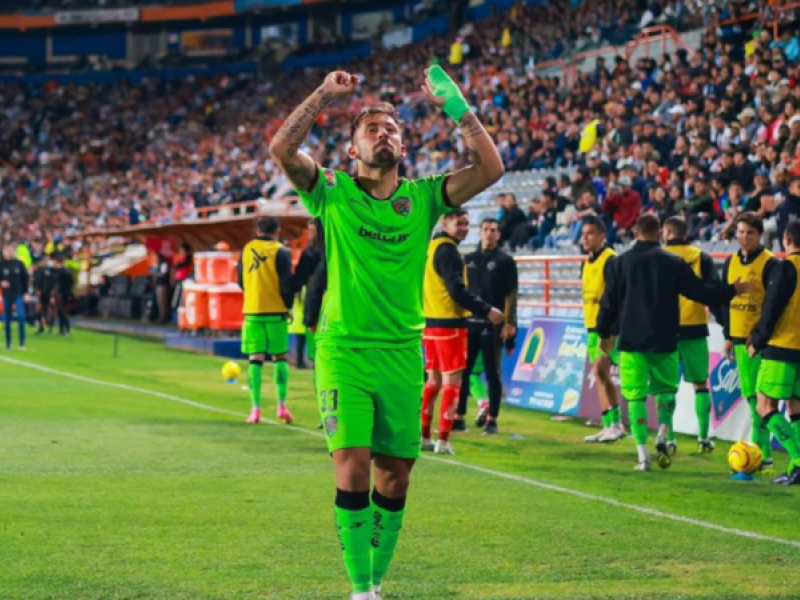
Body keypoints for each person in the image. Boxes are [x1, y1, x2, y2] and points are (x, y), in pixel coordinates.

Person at [269, 67, 503, 600]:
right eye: (371, 128)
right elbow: (283, 149)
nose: (384, 134)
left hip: (401, 352)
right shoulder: (332, 191)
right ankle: (360, 590)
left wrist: (457, 105)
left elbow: (491, 166)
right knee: (351, 468)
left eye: (391, 128)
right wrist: (325, 94)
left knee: (394, 477)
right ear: (351, 149)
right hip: (344, 350)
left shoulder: (424, 199)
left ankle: (375, 581)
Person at [597, 214, 746, 471]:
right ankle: (664, 435)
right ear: (659, 233)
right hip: (666, 339)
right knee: (666, 392)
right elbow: (701, 293)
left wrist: (604, 333)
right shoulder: (674, 262)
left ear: (635, 232)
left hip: (632, 341)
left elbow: (608, 302)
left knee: (636, 397)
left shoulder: (619, 263)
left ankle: (643, 456)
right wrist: (732, 289)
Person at [422, 210, 503, 455]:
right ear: (445, 222)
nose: (464, 228)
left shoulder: (431, 247)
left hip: (430, 324)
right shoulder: (449, 252)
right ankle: (444, 440)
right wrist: (487, 310)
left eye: (467, 223)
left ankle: (424, 436)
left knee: (433, 382)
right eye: (459, 223)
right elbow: (457, 291)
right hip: (450, 324)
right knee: (452, 384)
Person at [721, 212, 779, 473]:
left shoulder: (770, 263)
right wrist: (728, 336)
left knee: (760, 399)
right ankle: (761, 452)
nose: (744, 237)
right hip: (738, 341)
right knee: (752, 399)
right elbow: (725, 301)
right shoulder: (730, 262)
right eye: (740, 232)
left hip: (760, 342)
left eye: (750, 233)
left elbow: (773, 306)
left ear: (760, 235)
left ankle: (762, 453)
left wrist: (758, 336)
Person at [662, 216, 722, 454]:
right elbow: (714, 292)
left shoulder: (658, 256)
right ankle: (704, 438)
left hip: (665, 330)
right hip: (695, 327)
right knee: (701, 385)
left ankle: (669, 438)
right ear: (686, 232)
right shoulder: (700, 257)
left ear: (667, 232)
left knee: (667, 388)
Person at [749, 220, 800, 485]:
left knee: (764, 405)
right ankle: (795, 468)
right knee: (795, 407)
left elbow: (771, 308)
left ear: (786, 240)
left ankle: (799, 460)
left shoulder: (786, 267)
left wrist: (757, 340)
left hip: (782, 347)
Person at [456, 218, 518, 434]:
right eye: (485, 229)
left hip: (494, 325)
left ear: (498, 235)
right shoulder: (468, 259)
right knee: (464, 372)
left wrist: (510, 323)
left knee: (493, 373)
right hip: (469, 323)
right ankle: (459, 417)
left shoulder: (506, 261)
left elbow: (512, 294)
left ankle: (492, 420)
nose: (489, 233)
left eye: (493, 230)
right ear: (479, 232)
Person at [237, 217, 295, 426]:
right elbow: (286, 282)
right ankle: (282, 405)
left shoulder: (246, 249)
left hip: (252, 311)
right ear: (277, 230)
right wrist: (287, 305)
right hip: (276, 311)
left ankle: (255, 409)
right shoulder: (281, 250)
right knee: (279, 358)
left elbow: (240, 280)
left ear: (257, 229)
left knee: (256, 360)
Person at [579, 216, 625, 444]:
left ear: (601, 236)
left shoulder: (611, 260)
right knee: (599, 374)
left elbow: (616, 299)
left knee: (602, 371)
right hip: (591, 328)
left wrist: (611, 332)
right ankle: (609, 425)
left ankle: (617, 424)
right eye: (583, 233)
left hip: (608, 330)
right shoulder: (586, 262)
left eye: (589, 233)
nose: (584, 238)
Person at [292, 220, 323, 369]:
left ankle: (316, 359)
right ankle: (303, 359)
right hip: (307, 294)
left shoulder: (319, 251)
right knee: (304, 326)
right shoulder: (309, 251)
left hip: (318, 293)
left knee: (311, 326)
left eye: (313, 231)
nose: (310, 235)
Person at [0, 244, 29, 350]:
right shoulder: (2, 265)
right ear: (4, 252)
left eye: (12, 250)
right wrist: (1, 283)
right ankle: (8, 343)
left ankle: (22, 343)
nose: (10, 252)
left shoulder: (19, 264)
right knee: (7, 319)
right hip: (6, 295)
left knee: (21, 316)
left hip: (18, 294)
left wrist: (26, 293)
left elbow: (25, 279)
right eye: (8, 250)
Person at [34, 256, 57, 335]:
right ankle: (41, 326)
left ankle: (50, 327)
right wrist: (37, 290)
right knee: (39, 310)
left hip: (48, 293)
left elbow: (53, 283)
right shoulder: (39, 270)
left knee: (49, 310)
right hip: (41, 293)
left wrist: (52, 295)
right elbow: (36, 282)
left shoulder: (51, 270)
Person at [53, 254, 73, 336]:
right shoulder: (65, 271)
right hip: (63, 293)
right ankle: (62, 330)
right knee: (61, 311)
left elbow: (61, 284)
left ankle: (66, 328)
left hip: (61, 294)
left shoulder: (62, 272)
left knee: (62, 311)